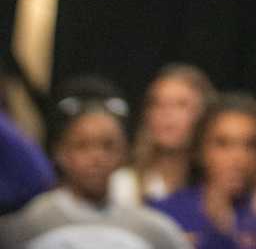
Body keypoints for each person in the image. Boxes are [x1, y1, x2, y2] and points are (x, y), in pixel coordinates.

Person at [0, 83, 186, 249]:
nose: (96, 157)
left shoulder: (153, 230)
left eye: (108, 145)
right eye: (82, 145)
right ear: (61, 153)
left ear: (124, 153)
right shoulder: (25, 226)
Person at [153, 96, 256, 249]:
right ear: (200, 150)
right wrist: (218, 232)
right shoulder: (167, 214)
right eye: (223, 144)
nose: (238, 158)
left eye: (251, 146)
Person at [114, 72, 215, 208]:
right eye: (157, 104)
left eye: (181, 105)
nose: (166, 113)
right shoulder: (123, 186)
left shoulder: (217, 192)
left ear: (205, 116)